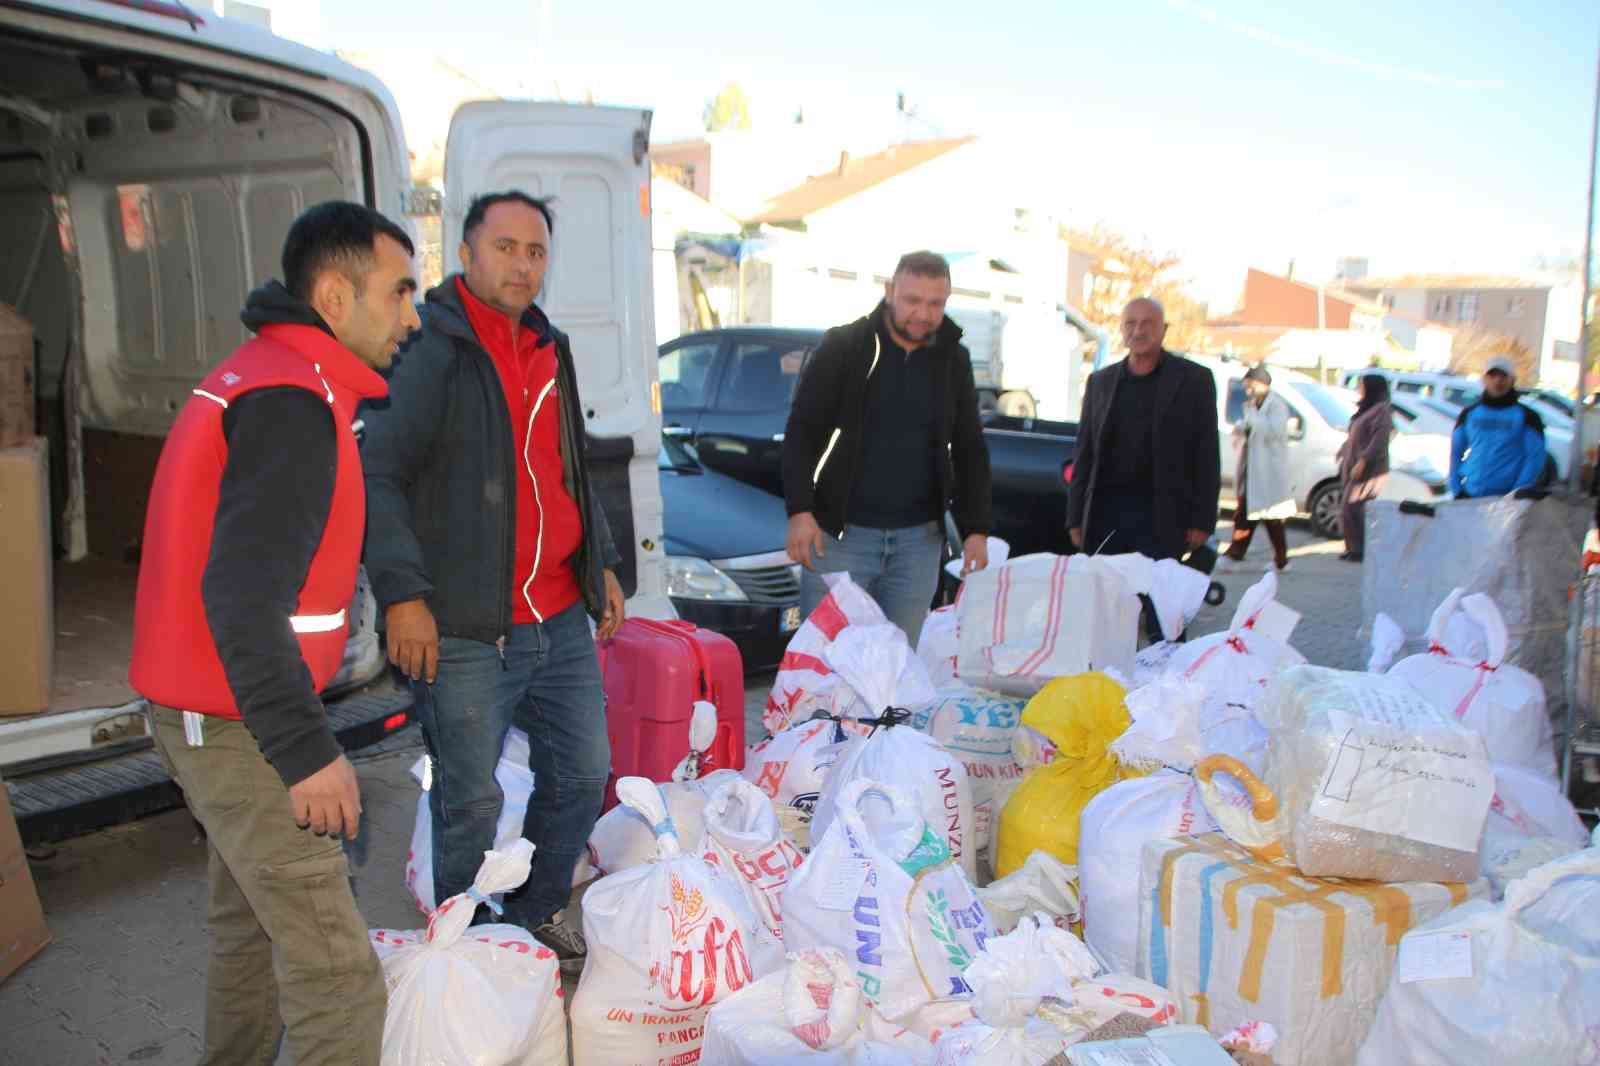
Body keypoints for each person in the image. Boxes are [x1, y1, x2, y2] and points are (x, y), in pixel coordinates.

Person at [129, 201, 420, 1065]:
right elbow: (242, 594)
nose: (413, 314)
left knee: (253, 934)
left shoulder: (272, 374)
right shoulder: (293, 401)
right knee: (336, 969)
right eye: (399, 291)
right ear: (334, 295)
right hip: (239, 726)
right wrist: (308, 751)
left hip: (215, 711)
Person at [360, 190, 624, 972]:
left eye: (535, 251)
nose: (521, 264)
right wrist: (404, 595)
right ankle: (467, 947)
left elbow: (569, 463)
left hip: (558, 614)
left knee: (582, 771)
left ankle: (536, 907)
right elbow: (379, 472)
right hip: (467, 626)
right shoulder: (430, 347)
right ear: (467, 253)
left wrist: (600, 559)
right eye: (505, 247)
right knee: (471, 799)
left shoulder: (549, 345)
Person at [782, 250, 992, 647]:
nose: (924, 314)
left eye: (936, 303)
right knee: (824, 667)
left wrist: (976, 528)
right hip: (840, 539)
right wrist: (799, 510)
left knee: (897, 671)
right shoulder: (846, 346)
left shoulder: (953, 359)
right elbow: (803, 430)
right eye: (913, 300)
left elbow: (969, 446)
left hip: (918, 544)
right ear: (890, 291)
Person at [1066, 297, 1221, 563]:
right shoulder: (1100, 383)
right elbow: (1085, 454)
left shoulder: (1194, 381)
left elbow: (1206, 454)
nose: (1138, 331)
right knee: (1106, 599)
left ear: (1164, 329)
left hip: (1163, 520)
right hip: (1106, 517)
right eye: (1131, 323)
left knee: (1154, 601)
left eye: (1148, 323)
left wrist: (1202, 520)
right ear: (1122, 331)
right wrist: (1076, 517)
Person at [1218, 365, 1293, 572]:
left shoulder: (1276, 405)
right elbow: (1253, 429)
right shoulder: (1253, 406)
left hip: (1268, 471)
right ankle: (1236, 554)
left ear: (1263, 384)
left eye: (1251, 386)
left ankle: (1280, 559)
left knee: (1272, 518)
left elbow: (1273, 431)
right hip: (1252, 470)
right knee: (1246, 513)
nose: (1248, 390)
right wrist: (1243, 426)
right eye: (1246, 387)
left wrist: (1252, 416)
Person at [1449, 355, 1547, 498]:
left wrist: (1518, 492)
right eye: (1492, 375)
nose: (1498, 380)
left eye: (1503, 375)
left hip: (1507, 499)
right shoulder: (1469, 414)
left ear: (1512, 380)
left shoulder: (1528, 417)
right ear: (1484, 379)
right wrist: (1457, 489)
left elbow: (1534, 458)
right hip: (1471, 495)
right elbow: (1455, 453)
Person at [1337, 372, 1392, 562]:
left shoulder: (1381, 411)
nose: (1359, 389)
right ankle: (1352, 547)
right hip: (1353, 465)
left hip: (1370, 470)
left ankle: (1360, 549)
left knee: (1352, 507)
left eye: (1362, 385)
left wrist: (1363, 460)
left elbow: (1379, 440)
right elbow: (1354, 434)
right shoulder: (1365, 409)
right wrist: (1343, 450)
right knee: (1349, 509)